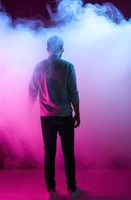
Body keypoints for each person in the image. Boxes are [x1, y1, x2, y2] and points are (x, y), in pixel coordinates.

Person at [28, 36, 82, 200]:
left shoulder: (39, 67)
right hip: (65, 116)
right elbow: (74, 93)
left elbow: (32, 92)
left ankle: (51, 191)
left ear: (47, 49)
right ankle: (72, 190)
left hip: (46, 117)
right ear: (62, 49)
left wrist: (27, 111)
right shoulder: (68, 66)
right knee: (68, 153)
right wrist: (77, 113)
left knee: (49, 153)